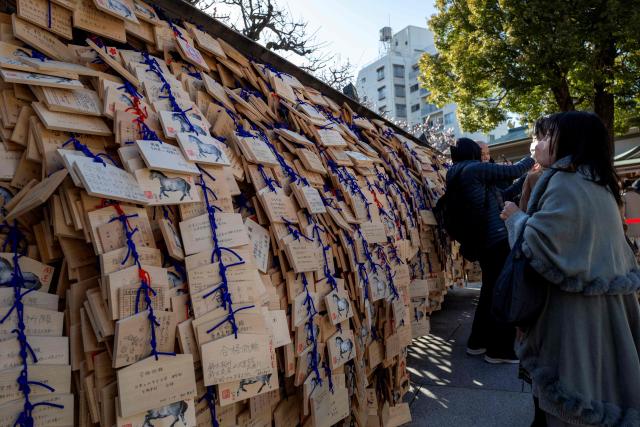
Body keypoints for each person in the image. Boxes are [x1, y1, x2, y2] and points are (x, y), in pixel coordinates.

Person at [500, 111, 640, 426]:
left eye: (546, 135)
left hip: (570, 315)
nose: (537, 143)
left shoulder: (566, 183)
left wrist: (515, 218)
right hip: (601, 311)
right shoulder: (597, 183)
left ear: (570, 141)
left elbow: (542, 245)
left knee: (569, 399)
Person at [447, 138, 534, 363]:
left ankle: (478, 342)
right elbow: (515, 169)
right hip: (494, 240)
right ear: (473, 153)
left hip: (484, 240)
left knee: (489, 292)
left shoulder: (460, 172)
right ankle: (499, 350)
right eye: (482, 152)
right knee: (502, 293)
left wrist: (527, 178)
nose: (486, 156)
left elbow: (502, 195)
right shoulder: (473, 169)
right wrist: (535, 153)